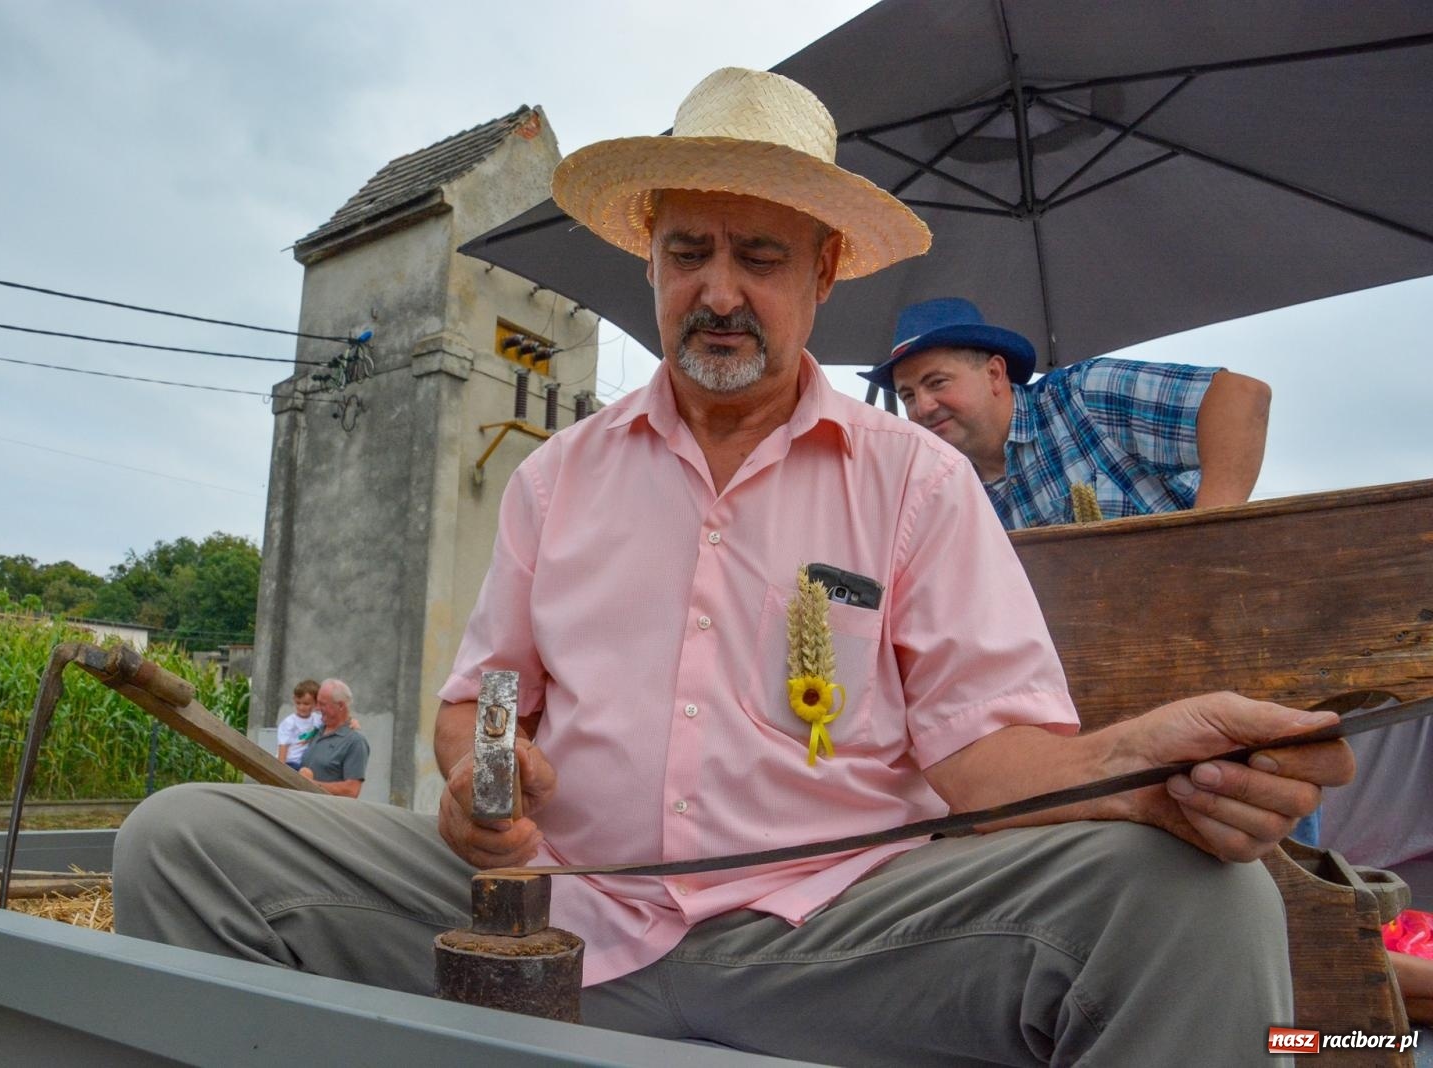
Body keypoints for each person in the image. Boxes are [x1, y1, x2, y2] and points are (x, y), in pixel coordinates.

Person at [115, 68, 1351, 1065]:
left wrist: (1145, 774)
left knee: (1197, 907)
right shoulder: (559, 479)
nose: (719, 292)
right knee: (183, 843)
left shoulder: (912, 479)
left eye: (760, 259)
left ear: (821, 274)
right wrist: (482, 782)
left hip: (839, 944)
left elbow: (987, 759)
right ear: (647, 260)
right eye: (690, 251)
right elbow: (474, 704)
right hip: (554, 919)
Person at [858, 297, 1273, 530]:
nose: (922, 407)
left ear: (995, 373)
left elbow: (1241, 398)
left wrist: (1209, 537)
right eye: (908, 394)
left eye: (937, 383)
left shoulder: (1083, 395)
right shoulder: (945, 491)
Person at [296, 678, 368, 799]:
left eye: (322, 704)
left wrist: (310, 785)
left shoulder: (355, 741)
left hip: (327, 814)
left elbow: (351, 790)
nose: (317, 708)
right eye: (317, 703)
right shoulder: (316, 731)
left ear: (340, 705)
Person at [275, 678, 321, 771]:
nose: (301, 707)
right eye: (298, 703)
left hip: (306, 763)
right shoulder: (289, 723)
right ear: (294, 699)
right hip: (290, 763)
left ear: (316, 703)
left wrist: (352, 722)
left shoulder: (317, 719)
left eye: (306, 704)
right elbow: (283, 747)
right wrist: (280, 770)